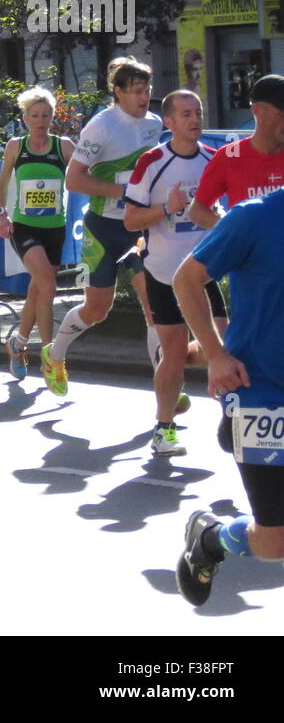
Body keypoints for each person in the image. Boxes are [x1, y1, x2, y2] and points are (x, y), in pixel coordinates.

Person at [171, 185, 284, 606]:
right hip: (261, 392)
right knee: (273, 544)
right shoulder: (255, 217)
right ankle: (210, 537)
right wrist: (215, 355)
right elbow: (186, 279)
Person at [41, 58, 162, 396]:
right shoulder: (102, 126)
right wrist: (122, 191)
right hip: (103, 228)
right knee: (97, 309)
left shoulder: (153, 124)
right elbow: (74, 180)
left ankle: (166, 387)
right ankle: (54, 354)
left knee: (153, 305)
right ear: (119, 92)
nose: (144, 97)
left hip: (138, 228)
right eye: (136, 91)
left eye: (147, 89)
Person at [123, 90, 220, 456]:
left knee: (224, 348)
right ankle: (164, 429)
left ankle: (234, 416)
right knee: (178, 351)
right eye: (185, 113)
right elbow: (132, 219)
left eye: (197, 112)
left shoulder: (214, 158)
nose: (194, 119)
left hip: (204, 271)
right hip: (164, 273)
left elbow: (222, 213)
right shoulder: (152, 161)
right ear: (168, 122)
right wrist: (169, 208)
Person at [0, 88, 75, 382]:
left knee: (38, 288)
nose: (40, 121)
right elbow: (2, 183)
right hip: (24, 226)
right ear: (25, 118)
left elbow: (82, 174)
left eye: (46, 115)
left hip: (55, 227)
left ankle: (17, 343)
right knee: (48, 284)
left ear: (53, 117)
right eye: (34, 116)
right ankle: (51, 356)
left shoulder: (63, 146)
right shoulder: (16, 146)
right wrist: (1, 215)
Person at [189, 73, 284, 231]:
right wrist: (233, 228)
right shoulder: (230, 155)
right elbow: (197, 210)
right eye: (282, 114)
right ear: (257, 110)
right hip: (247, 254)